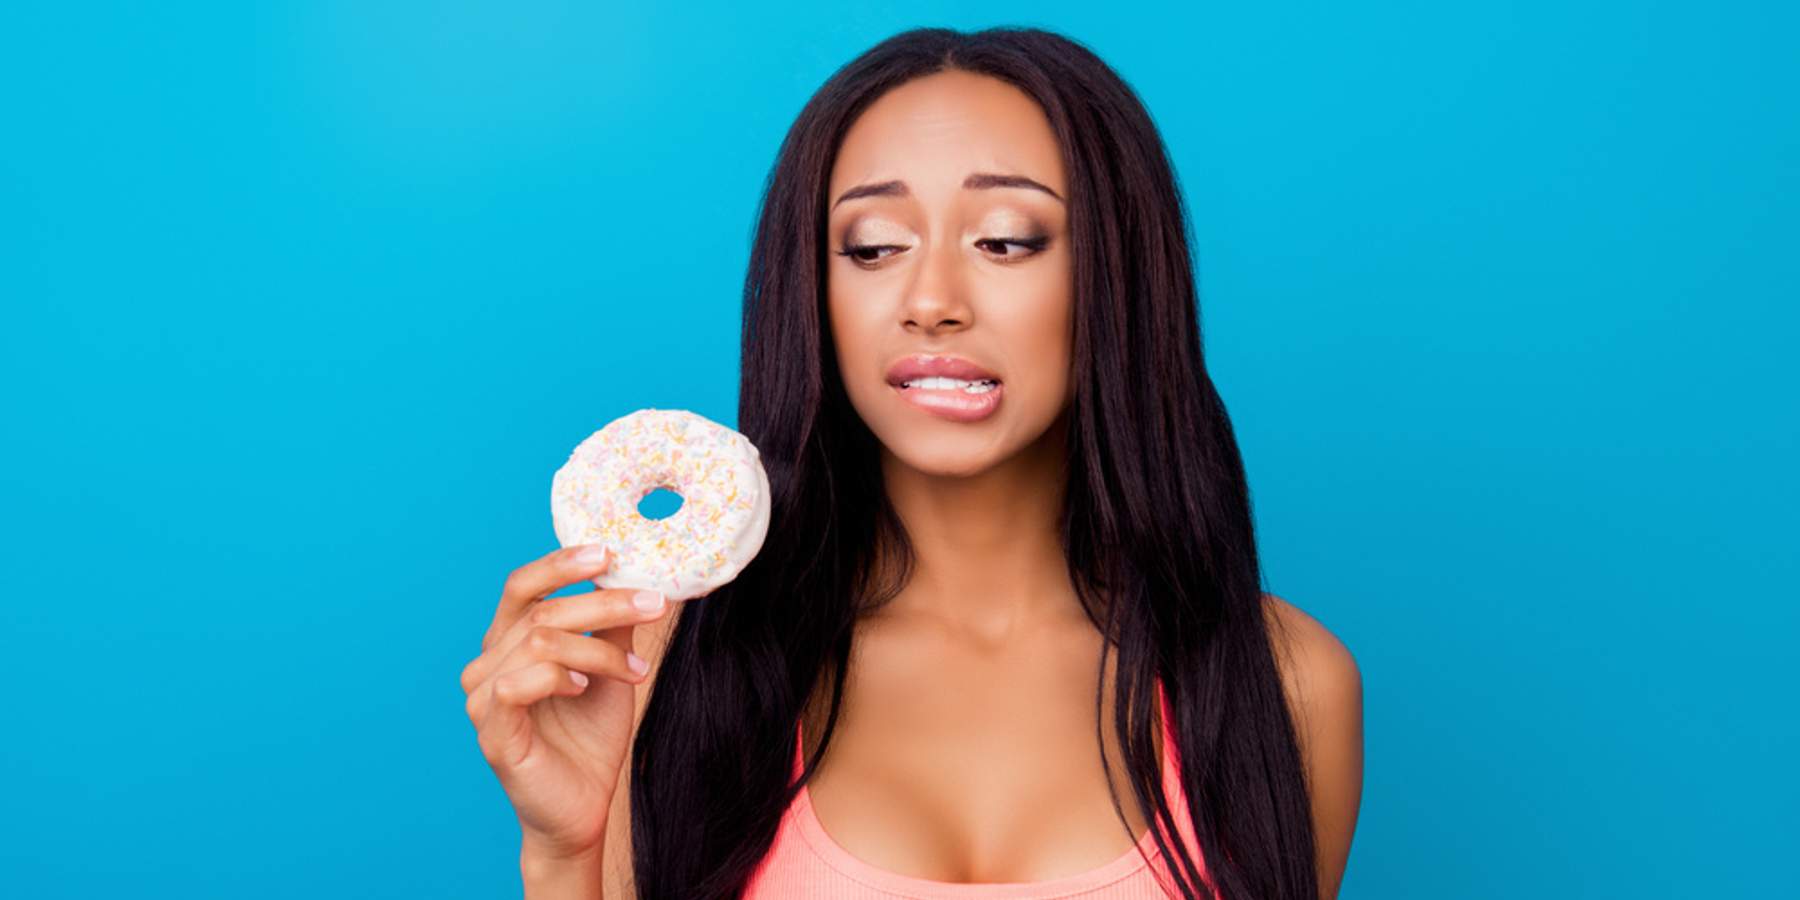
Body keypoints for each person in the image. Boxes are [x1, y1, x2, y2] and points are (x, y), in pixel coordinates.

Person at [461, 26, 1363, 900]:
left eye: (1005, 239)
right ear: (817, 291)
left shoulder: (1290, 686)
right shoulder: (659, 666)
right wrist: (562, 853)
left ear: (1117, 277)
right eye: (874, 247)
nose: (931, 301)